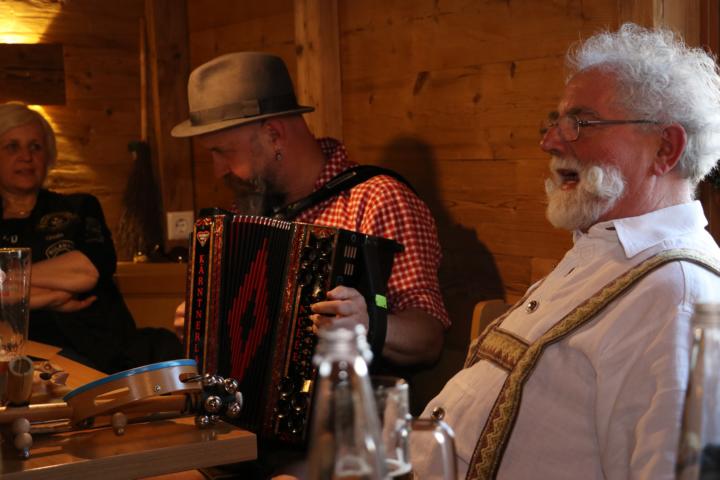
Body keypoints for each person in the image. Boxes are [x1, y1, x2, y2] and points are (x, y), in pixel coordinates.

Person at [413, 23, 720, 479]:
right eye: (554, 122)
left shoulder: (680, 295)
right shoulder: (605, 252)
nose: (550, 142)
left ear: (666, 147)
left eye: (581, 123)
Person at [171, 52, 449, 368]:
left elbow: (430, 338)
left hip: (353, 396)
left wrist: (368, 324)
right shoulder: (247, 212)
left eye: (223, 152)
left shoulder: (374, 199)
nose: (218, 170)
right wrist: (203, 324)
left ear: (274, 135)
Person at [0, 102, 182, 374]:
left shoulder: (79, 207)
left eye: (35, 146)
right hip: (25, 355)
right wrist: (52, 296)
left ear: (49, 155)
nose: (26, 156)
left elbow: (87, 272)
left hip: (101, 346)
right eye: (12, 146)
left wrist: (10, 284)